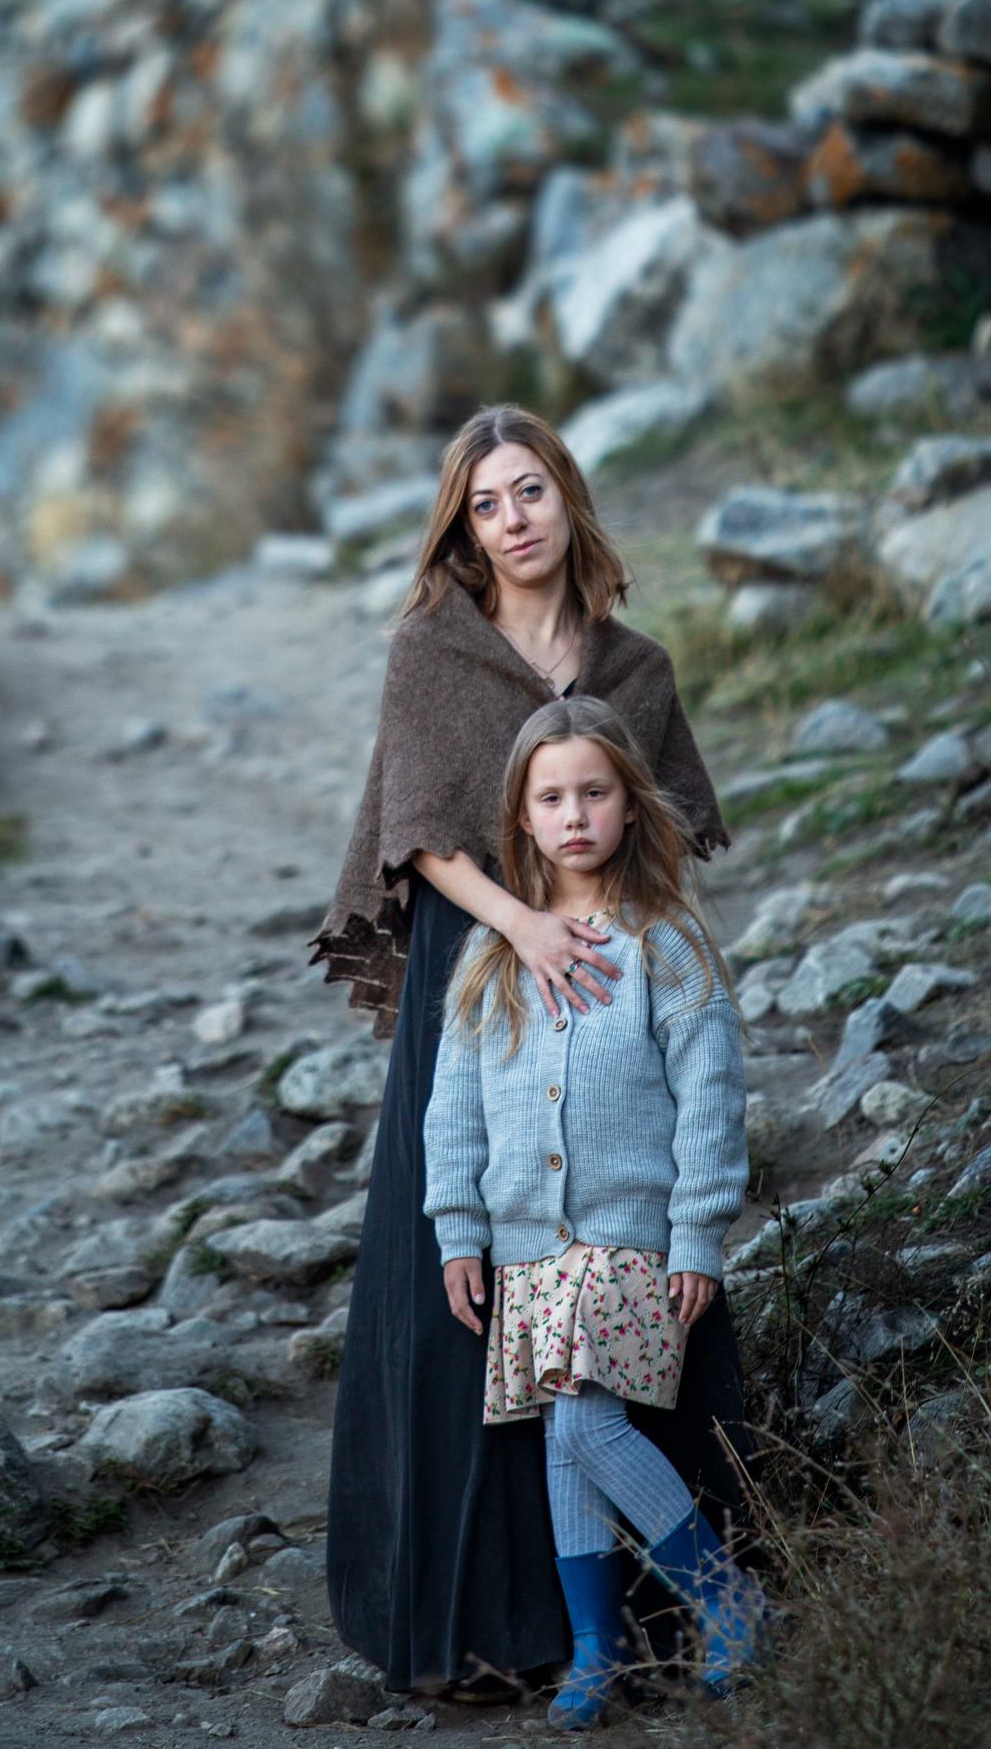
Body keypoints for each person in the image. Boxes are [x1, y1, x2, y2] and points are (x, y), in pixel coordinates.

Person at [311, 403, 745, 1696]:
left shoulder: (638, 667)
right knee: (476, 1296)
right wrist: (524, 930)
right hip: (484, 969)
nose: (514, 519)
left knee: (626, 1266)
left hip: (615, 976)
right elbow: (418, 834)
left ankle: (667, 1618)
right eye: (488, 502)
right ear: (466, 525)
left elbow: (664, 843)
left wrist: (644, 977)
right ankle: (478, 1621)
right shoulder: (433, 651)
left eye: (532, 491)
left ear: (568, 498)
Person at [424, 693, 768, 1729]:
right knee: (563, 1441)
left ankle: (725, 1595)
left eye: (594, 792)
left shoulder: (671, 948)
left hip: (628, 1240)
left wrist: (699, 1233)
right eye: (552, 798)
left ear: (629, 803)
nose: (574, 815)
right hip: (525, 1246)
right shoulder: (490, 960)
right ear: (522, 819)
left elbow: (711, 1103)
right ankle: (596, 1647)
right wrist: (457, 1230)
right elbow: (451, 1112)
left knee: (584, 1417)